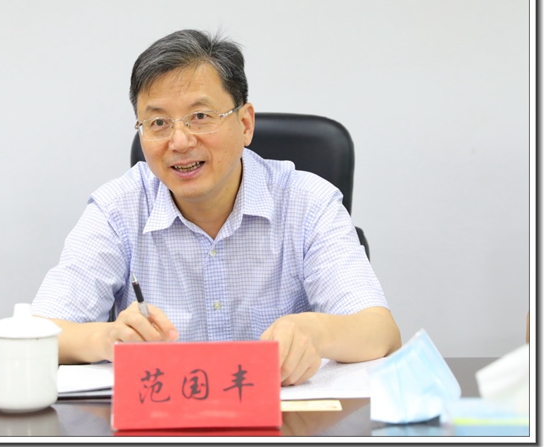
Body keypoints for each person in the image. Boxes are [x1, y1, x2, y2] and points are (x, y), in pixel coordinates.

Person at [32, 29, 401, 386]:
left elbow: (381, 333)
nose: (180, 141)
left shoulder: (308, 203)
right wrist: (106, 338)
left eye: (200, 117)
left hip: (284, 420)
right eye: (158, 122)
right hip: (163, 420)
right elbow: (38, 334)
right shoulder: (117, 209)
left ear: (245, 124)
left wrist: (317, 332)